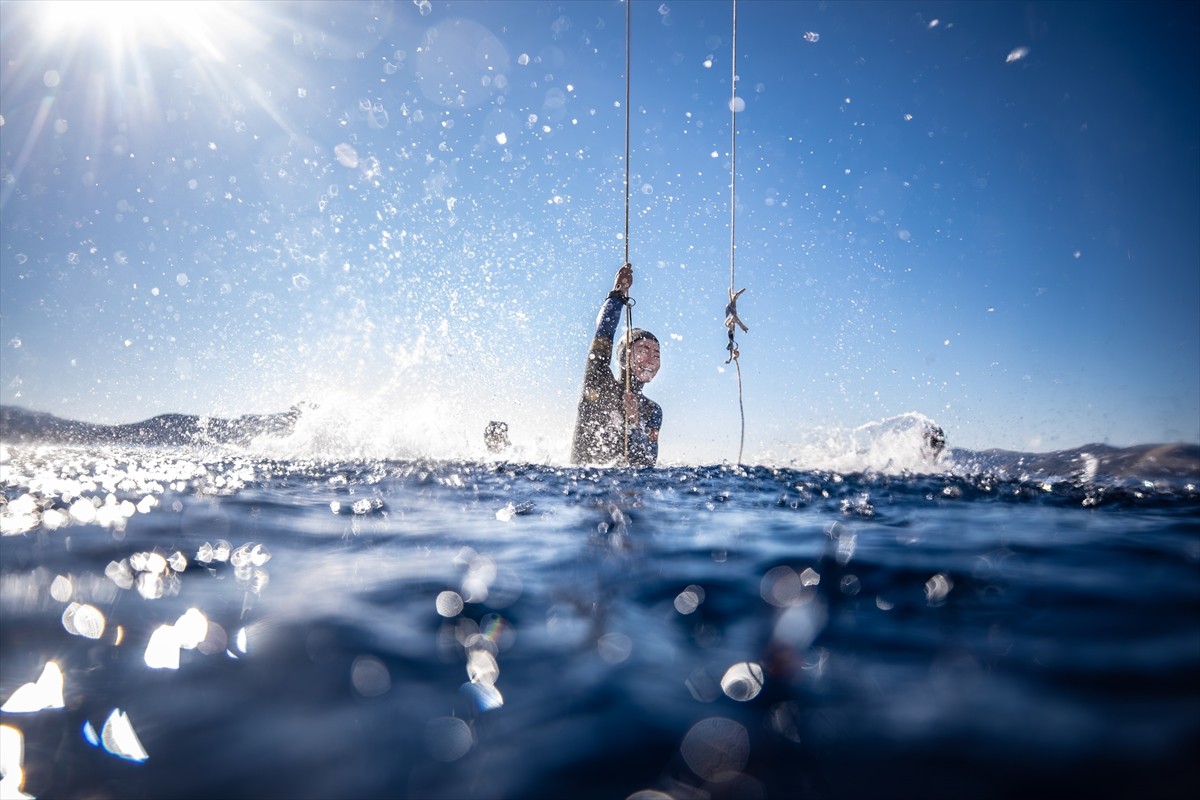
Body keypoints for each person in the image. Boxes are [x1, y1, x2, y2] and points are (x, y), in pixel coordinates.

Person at [570, 264, 662, 467]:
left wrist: (635, 422)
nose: (651, 360)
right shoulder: (598, 382)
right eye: (644, 350)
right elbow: (603, 333)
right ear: (624, 357)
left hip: (629, 484)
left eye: (657, 354)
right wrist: (617, 294)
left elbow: (647, 463)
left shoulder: (653, 411)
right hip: (583, 482)